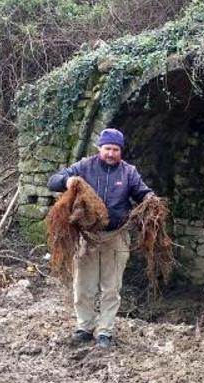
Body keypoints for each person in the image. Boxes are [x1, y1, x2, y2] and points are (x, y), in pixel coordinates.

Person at [48, 128, 154, 348]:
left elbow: (141, 192)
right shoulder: (84, 167)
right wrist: (67, 182)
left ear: (121, 151)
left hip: (116, 236)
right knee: (83, 285)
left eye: (116, 149)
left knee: (111, 287)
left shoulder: (129, 172)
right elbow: (53, 181)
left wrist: (151, 199)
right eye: (107, 148)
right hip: (87, 237)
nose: (111, 153)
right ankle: (84, 327)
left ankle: (105, 331)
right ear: (99, 148)